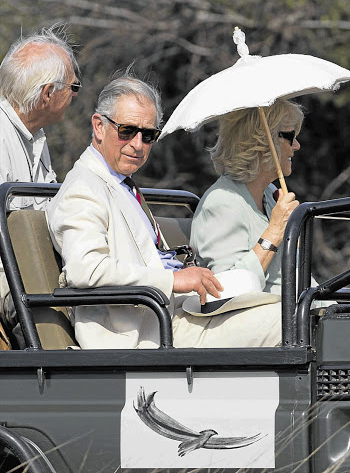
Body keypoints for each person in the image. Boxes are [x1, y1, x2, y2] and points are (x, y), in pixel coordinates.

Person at [46, 71, 223, 349]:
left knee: (272, 307)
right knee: (279, 321)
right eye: (126, 131)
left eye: (148, 135)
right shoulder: (84, 188)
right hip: (141, 334)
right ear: (99, 126)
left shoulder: (121, 183)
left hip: (167, 317)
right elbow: (85, 269)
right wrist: (172, 280)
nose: (138, 145)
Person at [171, 100, 312, 348]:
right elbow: (226, 292)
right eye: (290, 136)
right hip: (251, 326)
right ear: (261, 143)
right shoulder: (221, 202)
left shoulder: (270, 196)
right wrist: (274, 233)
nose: (297, 145)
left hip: (292, 317)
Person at [0, 24, 80, 347]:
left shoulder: (36, 138)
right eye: (74, 87)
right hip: (10, 278)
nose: (76, 95)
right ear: (48, 94)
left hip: (34, 270)